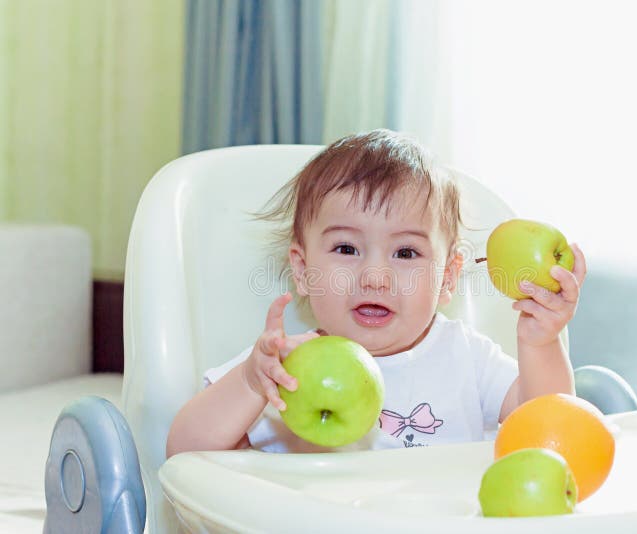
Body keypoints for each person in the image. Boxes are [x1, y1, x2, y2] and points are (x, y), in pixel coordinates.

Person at [166, 129, 586, 456]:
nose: (375, 276)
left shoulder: (467, 358)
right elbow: (183, 452)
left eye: (405, 252)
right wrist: (249, 383)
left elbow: (549, 429)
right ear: (303, 270)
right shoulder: (283, 365)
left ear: (447, 278)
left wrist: (541, 342)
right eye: (347, 248)